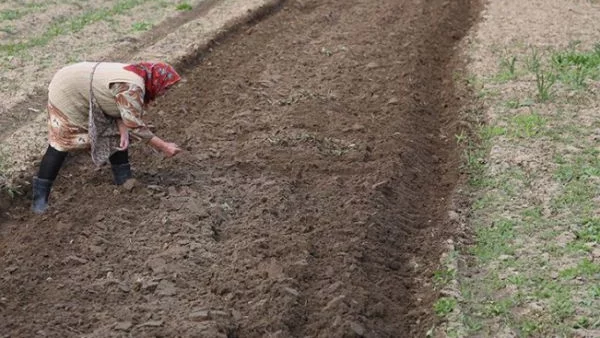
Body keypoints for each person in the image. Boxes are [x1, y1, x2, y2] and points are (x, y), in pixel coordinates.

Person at [32, 61, 183, 214]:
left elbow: (115, 103)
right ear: (157, 80)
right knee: (62, 142)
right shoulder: (132, 86)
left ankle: (124, 180)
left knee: (115, 134)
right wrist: (165, 146)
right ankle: (39, 198)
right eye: (166, 87)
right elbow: (135, 125)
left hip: (87, 87)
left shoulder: (140, 76)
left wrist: (122, 126)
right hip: (68, 89)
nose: (165, 92)